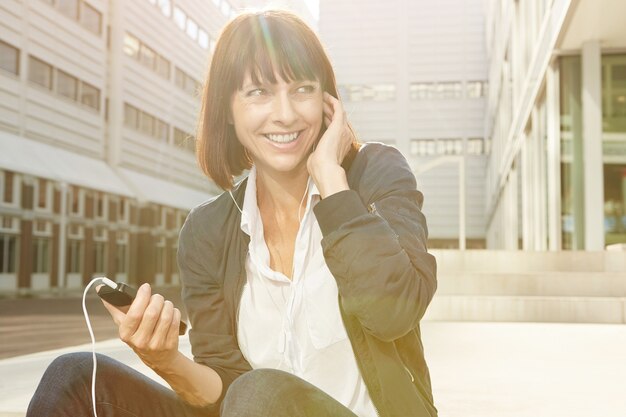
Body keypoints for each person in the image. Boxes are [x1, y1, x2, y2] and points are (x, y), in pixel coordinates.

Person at [27, 9, 438, 417]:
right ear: (227, 108)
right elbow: (221, 389)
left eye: (302, 89)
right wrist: (165, 359)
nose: (286, 114)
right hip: (250, 408)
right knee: (76, 378)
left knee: (258, 392)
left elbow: (392, 312)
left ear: (329, 103)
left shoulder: (374, 175)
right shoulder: (208, 230)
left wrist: (332, 179)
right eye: (259, 92)